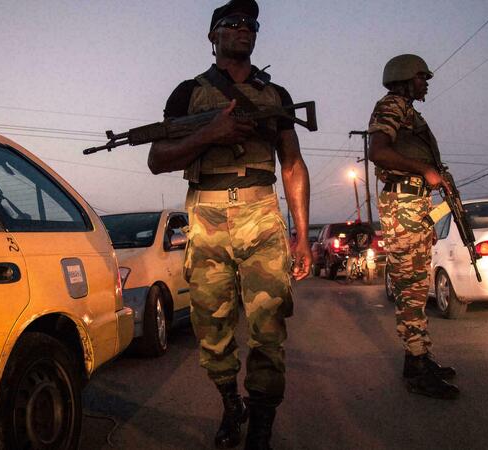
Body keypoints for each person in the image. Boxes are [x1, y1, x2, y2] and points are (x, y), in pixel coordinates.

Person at [147, 0, 311, 447]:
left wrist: (302, 235)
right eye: (233, 23)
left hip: (261, 212)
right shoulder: (188, 94)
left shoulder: (275, 95)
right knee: (212, 329)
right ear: (213, 35)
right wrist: (208, 135)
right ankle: (230, 403)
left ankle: (261, 424)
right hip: (206, 216)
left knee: (269, 328)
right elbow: (157, 159)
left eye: (251, 24)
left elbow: (292, 164)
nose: (244, 28)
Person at [367, 54, 460, 399]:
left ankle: (418, 358)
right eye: (422, 78)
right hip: (403, 204)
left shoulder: (407, 111)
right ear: (405, 78)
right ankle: (417, 368)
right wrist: (424, 170)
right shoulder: (391, 105)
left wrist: (429, 209)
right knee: (411, 289)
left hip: (413, 205)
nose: (426, 84)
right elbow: (378, 151)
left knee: (418, 287)